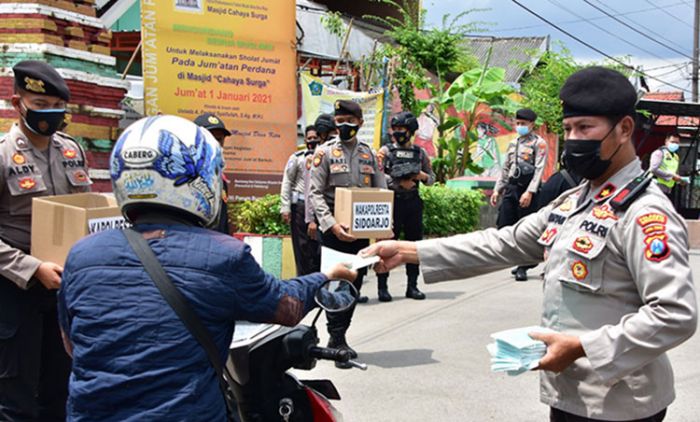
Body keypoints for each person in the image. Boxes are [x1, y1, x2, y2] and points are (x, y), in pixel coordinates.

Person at [362, 67, 697, 422]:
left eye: (585, 128)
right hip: (569, 394)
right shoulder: (574, 200)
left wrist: (582, 347)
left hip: (620, 404)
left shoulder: (645, 213)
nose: (573, 139)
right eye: (568, 130)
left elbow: (675, 314)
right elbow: (504, 243)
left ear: (624, 129)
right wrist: (408, 251)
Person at [57, 115, 356, 421]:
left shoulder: (81, 254)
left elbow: (72, 344)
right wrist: (325, 276)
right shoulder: (223, 255)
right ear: (202, 176)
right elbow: (286, 306)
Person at [0, 61, 91, 421]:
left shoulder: (72, 151)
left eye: (57, 106)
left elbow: (86, 211)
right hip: (14, 287)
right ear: (16, 103)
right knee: (15, 397)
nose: (50, 114)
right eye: (40, 106)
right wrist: (32, 267)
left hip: (64, 287)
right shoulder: (4, 156)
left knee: (62, 388)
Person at [308, 100, 386, 368]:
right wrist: (330, 224)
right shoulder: (325, 153)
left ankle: (340, 336)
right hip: (333, 231)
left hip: (361, 232)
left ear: (360, 123)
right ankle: (336, 338)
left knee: (355, 283)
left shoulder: (369, 155)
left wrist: (385, 227)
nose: (343, 125)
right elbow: (314, 193)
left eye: (349, 121)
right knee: (335, 283)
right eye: (339, 120)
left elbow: (382, 193)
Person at [374, 111, 435, 302]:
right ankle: (382, 287)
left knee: (413, 246)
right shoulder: (385, 151)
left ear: (411, 131)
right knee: (385, 245)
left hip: (413, 203)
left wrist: (421, 177)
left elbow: (432, 178)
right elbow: (377, 175)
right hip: (392, 202)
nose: (398, 133)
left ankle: (412, 286)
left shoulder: (420, 153)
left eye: (402, 129)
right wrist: (397, 181)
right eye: (396, 129)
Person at [490, 108, 548, 281]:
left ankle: (524, 266)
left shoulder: (539, 143)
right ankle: (519, 260)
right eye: (518, 123)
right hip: (512, 188)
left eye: (524, 123)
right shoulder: (513, 143)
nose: (520, 126)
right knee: (503, 223)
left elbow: (539, 169)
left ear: (532, 124)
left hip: (527, 190)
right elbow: (505, 168)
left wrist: (530, 192)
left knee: (525, 229)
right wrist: (497, 189)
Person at [280, 125, 321, 275]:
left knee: (317, 249)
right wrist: (285, 207)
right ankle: (302, 281)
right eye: (309, 138)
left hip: (319, 208)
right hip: (300, 207)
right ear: (305, 140)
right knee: (301, 248)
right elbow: (287, 182)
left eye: (315, 137)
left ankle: (318, 283)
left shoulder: (325, 158)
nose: (312, 141)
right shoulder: (297, 158)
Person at [194, 112, 232, 234]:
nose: (216, 144)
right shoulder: (187, 178)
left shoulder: (220, 180)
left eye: (219, 139)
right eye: (210, 138)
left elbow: (222, 221)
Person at [649, 134, 683, 201]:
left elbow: (675, 172)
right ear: (666, 141)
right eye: (672, 142)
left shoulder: (676, 157)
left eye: (677, 143)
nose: (675, 144)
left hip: (668, 189)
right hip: (656, 186)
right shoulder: (659, 153)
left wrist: (680, 180)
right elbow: (653, 169)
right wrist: (671, 176)